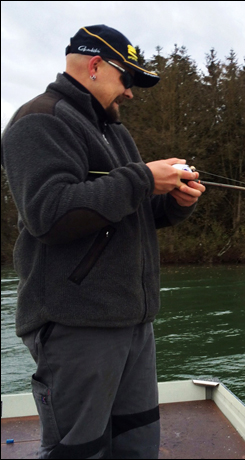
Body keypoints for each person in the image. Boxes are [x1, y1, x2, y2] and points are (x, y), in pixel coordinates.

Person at [1, 25, 205, 458]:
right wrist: (143, 178)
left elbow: (127, 212)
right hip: (76, 324)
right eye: (127, 79)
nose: (130, 92)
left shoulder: (116, 134)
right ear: (95, 65)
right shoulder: (39, 120)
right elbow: (49, 214)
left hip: (132, 321)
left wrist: (174, 202)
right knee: (80, 450)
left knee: (137, 441)